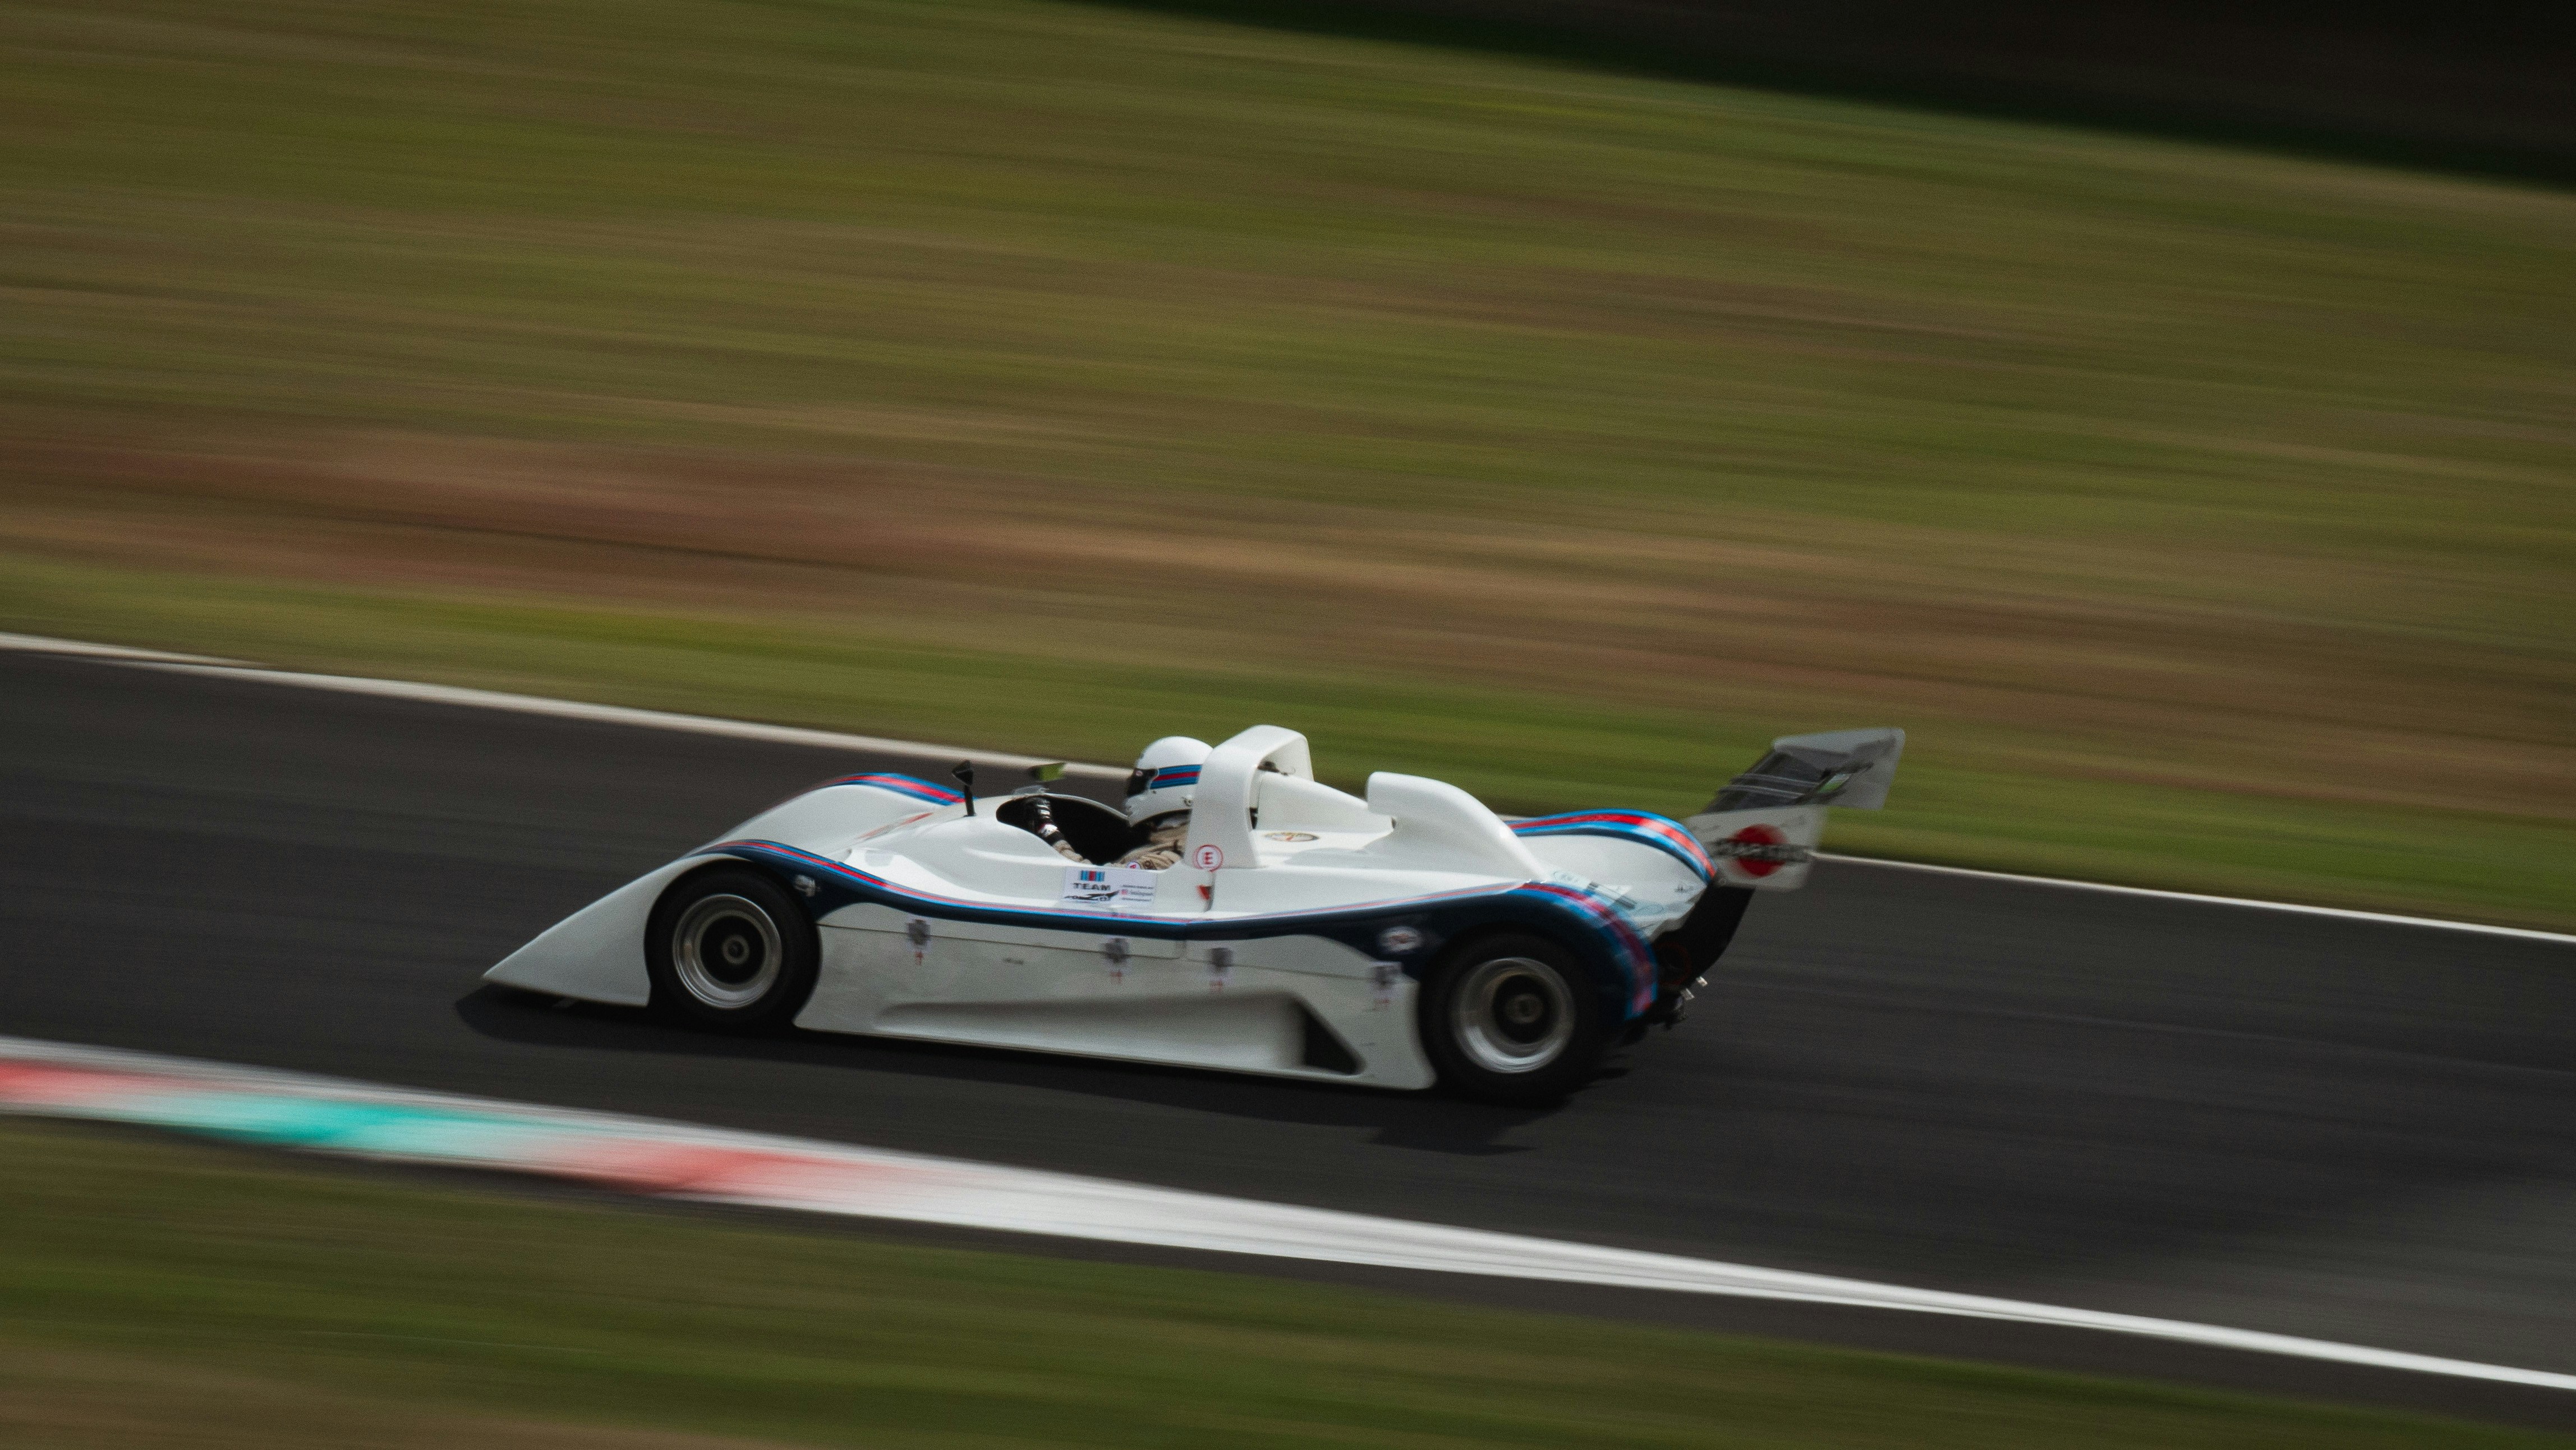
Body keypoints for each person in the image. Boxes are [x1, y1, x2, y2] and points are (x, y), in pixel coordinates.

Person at [1116, 736, 1210, 869]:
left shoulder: (1168, 859)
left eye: (1140, 781)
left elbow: (1098, 882)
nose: (1134, 788)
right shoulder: (1213, 844)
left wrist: (1074, 861)